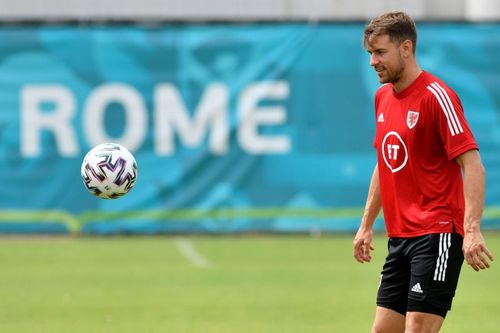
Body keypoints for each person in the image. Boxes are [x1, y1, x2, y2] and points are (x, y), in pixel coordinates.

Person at [353, 11, 494, 333]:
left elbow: (472, 163)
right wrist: (366, 225)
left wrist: (471, 229)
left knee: (418, 329)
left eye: (380, 52)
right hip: (399, 237)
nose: (373, 61)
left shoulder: (437, 97)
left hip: (437, 232)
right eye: (370, 54)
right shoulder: (382, 97)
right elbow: (385, 163)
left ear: (406, 48)